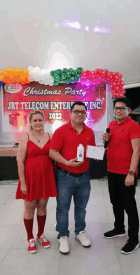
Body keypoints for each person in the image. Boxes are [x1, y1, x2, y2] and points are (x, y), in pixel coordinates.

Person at [49, 101, 96, 255]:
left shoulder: (89, 132)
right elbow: (53, 152)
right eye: (77, 111)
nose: (80, 114)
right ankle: (62, 236)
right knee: (63, 208)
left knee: (81, 208)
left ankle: (80, 232)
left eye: (83, 111)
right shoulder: (61, 131)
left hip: (84, 177)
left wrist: (101, 152)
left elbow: (92, 151)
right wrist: (66, 162)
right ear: (70, 113)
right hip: (65, 176)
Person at [103, 98, 140, 255]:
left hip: (126, 174)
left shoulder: (134, 126)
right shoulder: (112, 125)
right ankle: (119, 228)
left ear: (129, 110)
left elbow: (136, 151)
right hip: (112, 171)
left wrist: (131, 173)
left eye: (121, 108)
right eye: (116, 108)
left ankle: (133, 239)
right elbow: (112, 146)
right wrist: (105, 139)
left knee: (129, 206)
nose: (118, 111)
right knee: (115, 202)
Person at [16, 110, 57, 254]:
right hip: (30, 179)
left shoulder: (51, 136)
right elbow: (20, 161)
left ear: (44, 121)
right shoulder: (25, 138)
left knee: (42, 206)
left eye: (40, 120)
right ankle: (30, 237)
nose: (38, 123)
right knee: (29, 207)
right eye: (35, 120)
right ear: (30, 123)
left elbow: (57, 156)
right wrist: (23, 182)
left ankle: (40, 234)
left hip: (46, 178)